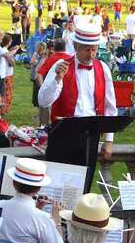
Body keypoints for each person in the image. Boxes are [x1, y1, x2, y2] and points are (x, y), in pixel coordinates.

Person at [37, 16, 117, 160]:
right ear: (75, 47)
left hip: (90, 137)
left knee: (86, 180)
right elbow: (43, 101)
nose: (92, 55)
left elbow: (110, 107)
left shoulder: (103, 68)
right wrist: (57, 79)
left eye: (94, 50)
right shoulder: (61, 66)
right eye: (87, 50)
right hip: (62, 135)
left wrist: (109, 140)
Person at [0, 158, 65, 243]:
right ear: (39, 188)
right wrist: (57, 220)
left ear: (14, 183)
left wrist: (37, 209)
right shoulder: (43, 218)